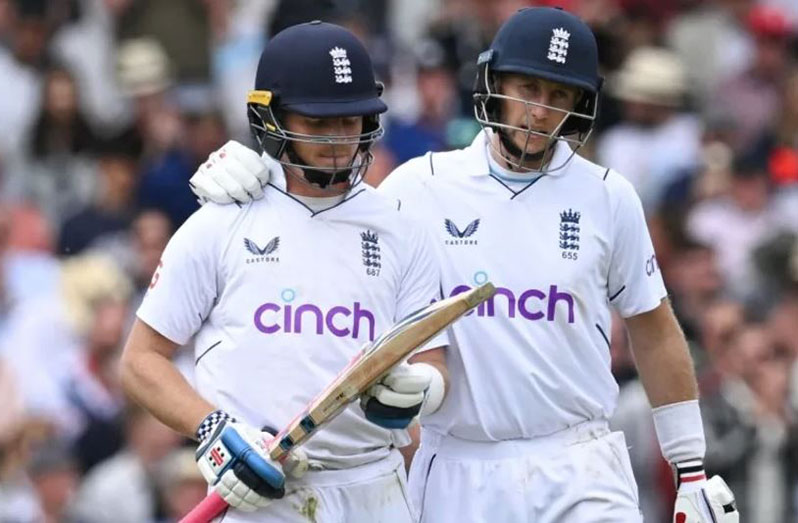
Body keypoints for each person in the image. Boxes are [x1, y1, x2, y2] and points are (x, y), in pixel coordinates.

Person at [187, 8, 738, 523]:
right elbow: (324, 216)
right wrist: (253, 169)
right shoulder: (418, 185)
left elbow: (654, 326)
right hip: (457, 468)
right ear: (494, 84)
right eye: (527, 88)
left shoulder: (608, 196)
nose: (541, 110)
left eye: (558, 94)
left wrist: (690, 467)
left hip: (580, 459)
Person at [120, 21, 449, 523]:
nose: (340, 139)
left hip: (374, 489)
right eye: (318, 123)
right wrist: (214, 429)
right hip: (260, 490)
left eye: (352, 120)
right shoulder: (219, 222)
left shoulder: (402, 230)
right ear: (270, 117)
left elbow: (433, 360)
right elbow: (141, 361)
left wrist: (422, 385)